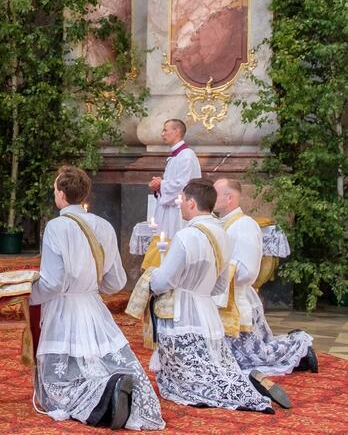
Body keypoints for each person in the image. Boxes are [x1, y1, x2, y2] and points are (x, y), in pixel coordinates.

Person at [30, 166, 164, 430]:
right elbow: (116, 281)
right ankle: (113, 386)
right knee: (96, 359)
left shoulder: (57, 226)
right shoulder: (103, 225)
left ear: (60, 194)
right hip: (93, 305)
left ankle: (104, 392)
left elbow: (53, 282)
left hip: (63, 306)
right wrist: (90, 287)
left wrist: (29, 295)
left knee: (56, 387)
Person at [146, 179, 274, 412]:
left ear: (192, 203)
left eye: (183, 201)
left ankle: (238, 393)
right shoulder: (222, 234)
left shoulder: (186, 236)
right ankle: (245, 389)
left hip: (182, 316)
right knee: (214, 370)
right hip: (209, 316)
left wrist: (151, 280)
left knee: (182, 382)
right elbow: (220, 287)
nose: (181, 205)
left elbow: (165, 281)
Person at [213, 177, 318, 377]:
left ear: (230, 198)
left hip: (239, 300)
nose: (211, 198)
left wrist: (218, 274)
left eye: (216, 194)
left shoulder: (244, 224)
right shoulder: (222, 223)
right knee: (235, 360)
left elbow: (249, 271)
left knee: (253, 358)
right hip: (225, 298)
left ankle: (300, 348)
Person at [148, 119, 200, 240]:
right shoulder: (176, 156)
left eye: (165, 130)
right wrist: (159, 185)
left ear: (176, 132)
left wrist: (161, 184)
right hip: (170, 211)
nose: (162, 134)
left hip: (179, 213)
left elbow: (184, 185)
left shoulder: (187, 156)